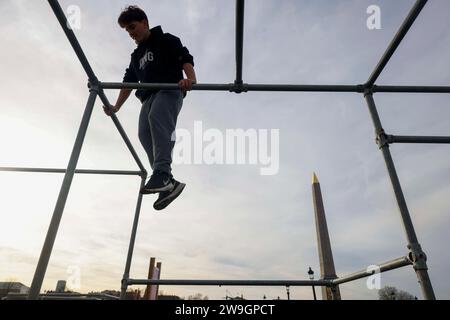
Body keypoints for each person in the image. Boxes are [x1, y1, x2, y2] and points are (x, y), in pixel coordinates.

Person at [103, 6, 197, 210]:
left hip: (169, 90)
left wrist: (190, 79)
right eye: (127, 30)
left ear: (145, 23)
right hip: (147, 97)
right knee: (144, 133)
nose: (131, 33)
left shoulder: (166, 39)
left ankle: (162, 173)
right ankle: (169, 184)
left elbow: (185, 58)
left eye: (132, 27)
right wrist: (116, 106)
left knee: (157, 118)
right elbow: (128, 81)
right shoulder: (136, 56)